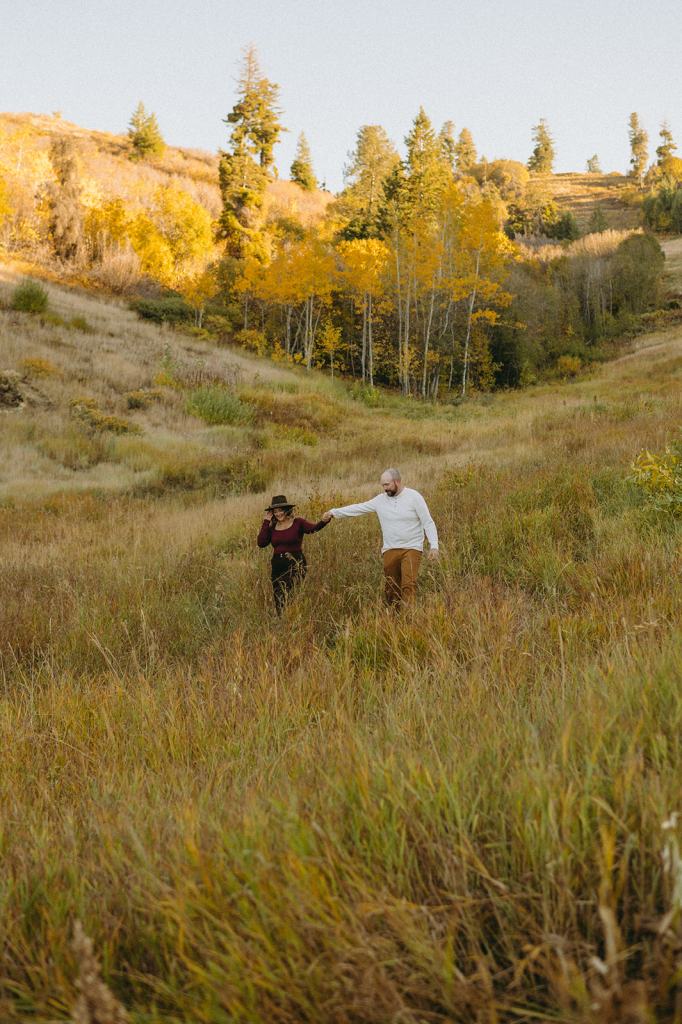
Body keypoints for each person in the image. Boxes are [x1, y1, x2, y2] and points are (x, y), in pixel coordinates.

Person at [322, 468, 439, 606]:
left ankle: (409, 618)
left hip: (412, 547)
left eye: (387, 484)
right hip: (390, 549)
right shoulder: (380, 500)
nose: (385, 488)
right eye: (383, 485)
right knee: (391, 587)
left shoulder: (414, 497)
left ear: (397, 481)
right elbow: (358, 508)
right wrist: (333, 512)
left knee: (408, 584)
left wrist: (434, 546)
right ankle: (394, 618)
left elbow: (428, 522)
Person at [257, 495, 329, 614]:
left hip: (296, 563)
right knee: (279, 596)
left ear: (286, 510)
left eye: (280, 510)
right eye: (275, 511)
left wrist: (324, 521)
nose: (278, 514)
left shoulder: (298, 523)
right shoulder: (272, 527)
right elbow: (261, 543)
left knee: (292, 594)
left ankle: (294, 618)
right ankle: (282, 622)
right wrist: (266, 521)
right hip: (277, 566)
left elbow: (313, 529)